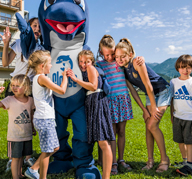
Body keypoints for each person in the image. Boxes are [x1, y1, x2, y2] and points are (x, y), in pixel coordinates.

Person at [115, 38, 172, 173]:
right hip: (149, 95)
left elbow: (147, 84)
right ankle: (150, 160)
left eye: (123, 56)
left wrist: (153, 107)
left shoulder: (136, 62)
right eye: (117, 57)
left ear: (130, 54)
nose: (120, 59)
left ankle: (165, 159)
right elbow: (134, 92)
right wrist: (144, 110)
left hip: (162, 91)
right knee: (148, 126)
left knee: (152, 125)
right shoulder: (123, 71)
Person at [96, 35, 145, 174]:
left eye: (113, 54)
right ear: (100, 52)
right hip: (110, 102)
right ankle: (113, 162)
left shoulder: (120, 63)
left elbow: (130, 58)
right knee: (111, 134)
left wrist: (141, 58)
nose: (111, 57)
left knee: (121, 132)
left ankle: (121, 159)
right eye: (107, 54)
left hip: (123, 100)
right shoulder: (99, 65)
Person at [1, 18, 43, 171]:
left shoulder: (41, 48)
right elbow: (5, 63)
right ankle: (13, 159)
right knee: (15, 123)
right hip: (16, 87)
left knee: (29, 122)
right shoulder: (19, 43)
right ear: (28, 28)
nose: (37, 28)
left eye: (39, 26)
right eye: (34, 26)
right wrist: (6, 43)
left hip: (31, 89)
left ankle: (27, 157)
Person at [67, 50, 115, 179]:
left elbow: (93, 86)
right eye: (81, 61)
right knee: (101, 141)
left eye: (86, 61)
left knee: (103, 143)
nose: (83, 64)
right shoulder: (88, 69)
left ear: (91, 61)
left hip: (97, 102)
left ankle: (106, 177)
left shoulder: (91, 68)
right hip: (93, 103)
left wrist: (76, 79)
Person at [24, 50, 68, 179]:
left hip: (46, 118)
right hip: (44, 119)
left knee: (54, 147)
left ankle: (33, 169)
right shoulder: (41, 78)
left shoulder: (40, 77)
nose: (52, 66)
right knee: (48, 150)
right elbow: (61, 90)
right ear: (42, 65)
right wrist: (65, 76)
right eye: (50, 63)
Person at [0, 74, 35, 179]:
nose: (14, 87)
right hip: (14, 136)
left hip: (27, 135)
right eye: (13, 85)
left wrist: (33, 128)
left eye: (18, 85)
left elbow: (31, 115)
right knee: (15, 158)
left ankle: (19, 174)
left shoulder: (30, 100)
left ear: (26, 87)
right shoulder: (9, 99)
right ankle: (15, 177)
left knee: (21, 157)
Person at [170, 55, 192, 176]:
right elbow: (172, 99)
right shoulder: (173, 82)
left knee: (189, 142)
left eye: (188, 67)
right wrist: (171, 115)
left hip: (190, 118)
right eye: (182, 67)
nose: (185, 70)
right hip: (178, 117)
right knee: (180, 140)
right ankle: (184, 161)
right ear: (178, 68)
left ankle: (189, 164)